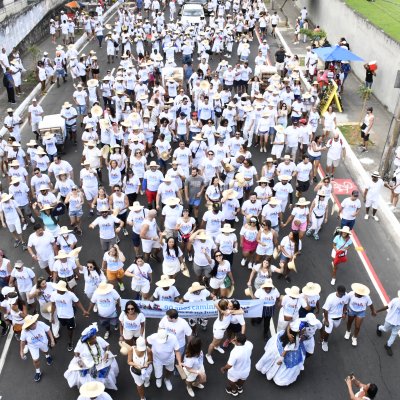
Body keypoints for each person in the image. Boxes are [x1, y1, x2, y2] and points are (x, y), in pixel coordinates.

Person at [64, 322, 119, 390]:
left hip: (101, 361)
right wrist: (79, 361)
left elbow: (107, 345)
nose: (95, 339)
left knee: (103, 377)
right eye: (93, 338)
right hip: (87, 364)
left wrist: (106, 353)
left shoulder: (98, 339)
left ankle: (100, 388)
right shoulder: (81, 344)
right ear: (88, 340)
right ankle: (92, 390)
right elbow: (76, 352)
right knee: (88, 380)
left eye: (95, 337)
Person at [255, 321, 306, 386]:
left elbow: (289, 325)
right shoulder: (293, 341)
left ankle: (265, 368)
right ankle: (273, 375)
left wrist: (288, 333)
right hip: (283, 351)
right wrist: (280, 360)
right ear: (298, 332)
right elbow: (285, 350)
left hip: (278, 345)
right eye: (303, 330)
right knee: (284, 364)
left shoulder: (288, 331)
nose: (304, 331)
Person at [50, 280, 88, 352]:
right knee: (63, 325)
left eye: (59, 289)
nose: (57, 290)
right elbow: (53, 305)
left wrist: (84, 311)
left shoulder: (70, 294)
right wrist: (51, 316)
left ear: (63, 290)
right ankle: (72, 323)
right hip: (60, 315)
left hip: (69, 316)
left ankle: (70, 342)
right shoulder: (53, 294)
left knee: (70, 329)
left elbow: (77, 302)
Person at [20, 314, 55, 382]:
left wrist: (52, 339)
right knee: (35, 360)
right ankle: (38, 372)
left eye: (34, 322)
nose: (34, 324)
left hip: (43, 343)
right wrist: (21, 351)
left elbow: (48, 330)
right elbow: (22, 341)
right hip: (33, 347)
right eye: (32, 324)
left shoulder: (40, 324)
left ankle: (47, 356)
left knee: (45, 351)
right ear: (28, 326)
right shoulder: (24, 332)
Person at [320, 285, 349, 352]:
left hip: (338, 317)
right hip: (330, 316)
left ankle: (325, 320)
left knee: (336, 326)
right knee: (328, 331)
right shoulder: (331, 298)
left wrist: (344, 313)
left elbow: (345, 304)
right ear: (337, 291)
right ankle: (324, 342)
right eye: (341, 294)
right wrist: (327, 321)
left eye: (343, 294)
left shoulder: (346, 295)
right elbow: (325, 310)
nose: (342, 295)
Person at [376, 290, 400, 356]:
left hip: (398, 323)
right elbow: (387, 306)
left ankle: (388, 345)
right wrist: (377, 311)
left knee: (394, 334)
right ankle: (379, 327)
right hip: (390, 320)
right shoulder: (395, 300)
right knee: (385, 329)